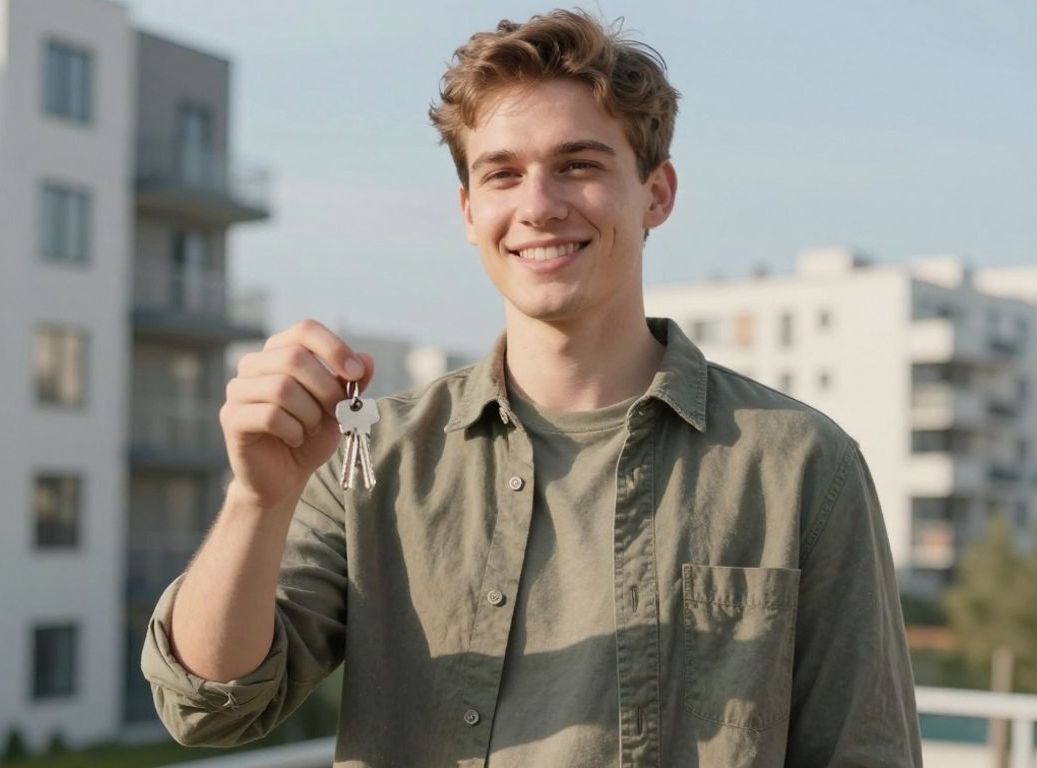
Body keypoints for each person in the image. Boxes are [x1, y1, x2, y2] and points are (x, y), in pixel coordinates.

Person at [142, 9, 922, 767]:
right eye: (503, 174)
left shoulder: (801, 465)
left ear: (656, 192)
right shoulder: (369, 454)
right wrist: (258, 500)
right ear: (469, 210)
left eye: (578, 165)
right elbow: (210, 706)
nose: (539, 206)